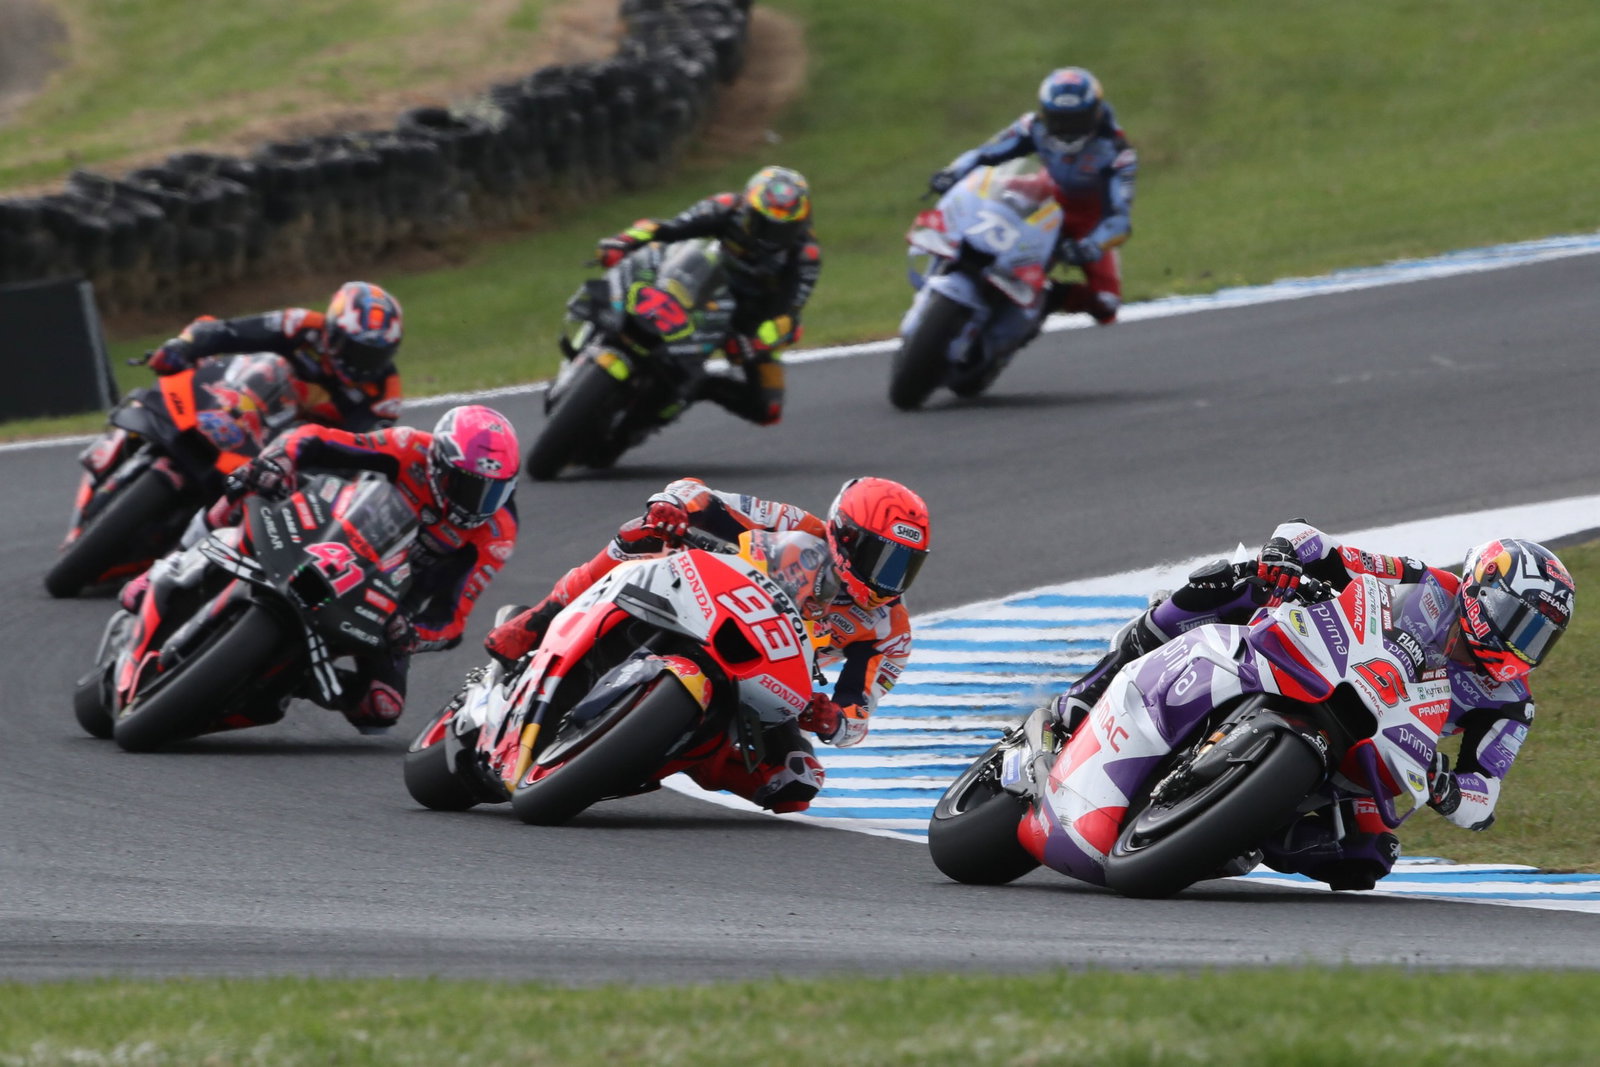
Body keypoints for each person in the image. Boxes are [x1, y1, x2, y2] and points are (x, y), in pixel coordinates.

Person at [1047, 522, 1576, 890]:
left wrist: (1444, 786)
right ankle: (1097, 685)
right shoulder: (1425, 580)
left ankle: (1244, 832)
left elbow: (1483, 796)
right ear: (1484, 588)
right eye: (1520, 619)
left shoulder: (1509, 702)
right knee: (1236, 579)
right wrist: (1285, 557)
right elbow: (1322, 546)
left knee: (1368, 858)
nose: (1523, 643)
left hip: (1378, 747)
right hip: (1320, 661)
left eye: (1540, 636)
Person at [484, 476, 931, 813]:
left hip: (769, 671)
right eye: (883, 558)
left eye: (904, 566)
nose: (889, 580)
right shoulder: (796, 526)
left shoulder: (889, 629)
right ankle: (538, 620)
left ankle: (668, 755)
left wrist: (833, 720)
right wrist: (672, 507)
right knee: (640, 534)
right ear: (845, 536)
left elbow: (858, 711)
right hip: (705, 603)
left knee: (798, 783)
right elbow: (699, 495)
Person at [127, 405, 520, 733]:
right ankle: (171, 562)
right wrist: (279, 461)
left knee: (380, 710)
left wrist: (412, 634)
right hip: (332, 532)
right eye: (468, 485)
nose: (479, 502)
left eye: (494, 489)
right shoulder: (409, 447)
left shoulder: (497, 533)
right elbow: (318, 439)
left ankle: (289, 682)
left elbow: (452, 618)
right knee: (247, 483)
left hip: (387, 603)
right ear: (438, 462)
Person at [582, 166, 822, 426]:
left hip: (750, 320)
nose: (770, 236)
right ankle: (596, 333)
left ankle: (698, 388)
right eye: (762, 223)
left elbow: (788, 316)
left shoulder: (805, 256)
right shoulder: (726, 207)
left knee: (768, 409)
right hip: (702, 282)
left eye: (782, 230)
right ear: (748, 210)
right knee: (646, 276)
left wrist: (757, 343)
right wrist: (623, 241)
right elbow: (667, 228)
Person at [928, 67, 1137, 327]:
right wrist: (952, 172)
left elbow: (1119, 220)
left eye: (1076, 121)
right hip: (1042, 196)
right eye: (1058, 119)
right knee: (974, 195)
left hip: (1087, 223)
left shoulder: (1117, 152)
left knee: (1106, 303)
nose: (1066, 130)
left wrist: (1091, 246)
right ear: (1045, 112)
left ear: (1095, 114)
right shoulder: (1032, 126)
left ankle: (1045, 296)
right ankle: (937, 273)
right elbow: (985, 153)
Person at [145, 280, 405, 432]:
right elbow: (229, 331)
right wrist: (182, 346)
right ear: (332, 330)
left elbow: (364, 448)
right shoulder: (299, 324)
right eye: (354, 349)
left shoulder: (385, 395)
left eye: (373, 355)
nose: (359, 362)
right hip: (238, 406)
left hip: (290, 454)